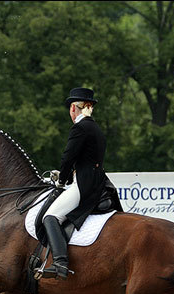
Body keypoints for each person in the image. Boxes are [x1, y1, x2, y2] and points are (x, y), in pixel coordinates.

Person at [41, 87, 120, 280]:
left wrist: (61, 180)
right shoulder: (96, 128)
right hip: (98, 181)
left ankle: (60, 262)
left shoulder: (80, 128)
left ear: (73, 109)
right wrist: (67, 176)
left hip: (84, 184)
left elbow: (68, 158)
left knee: (50, 217)